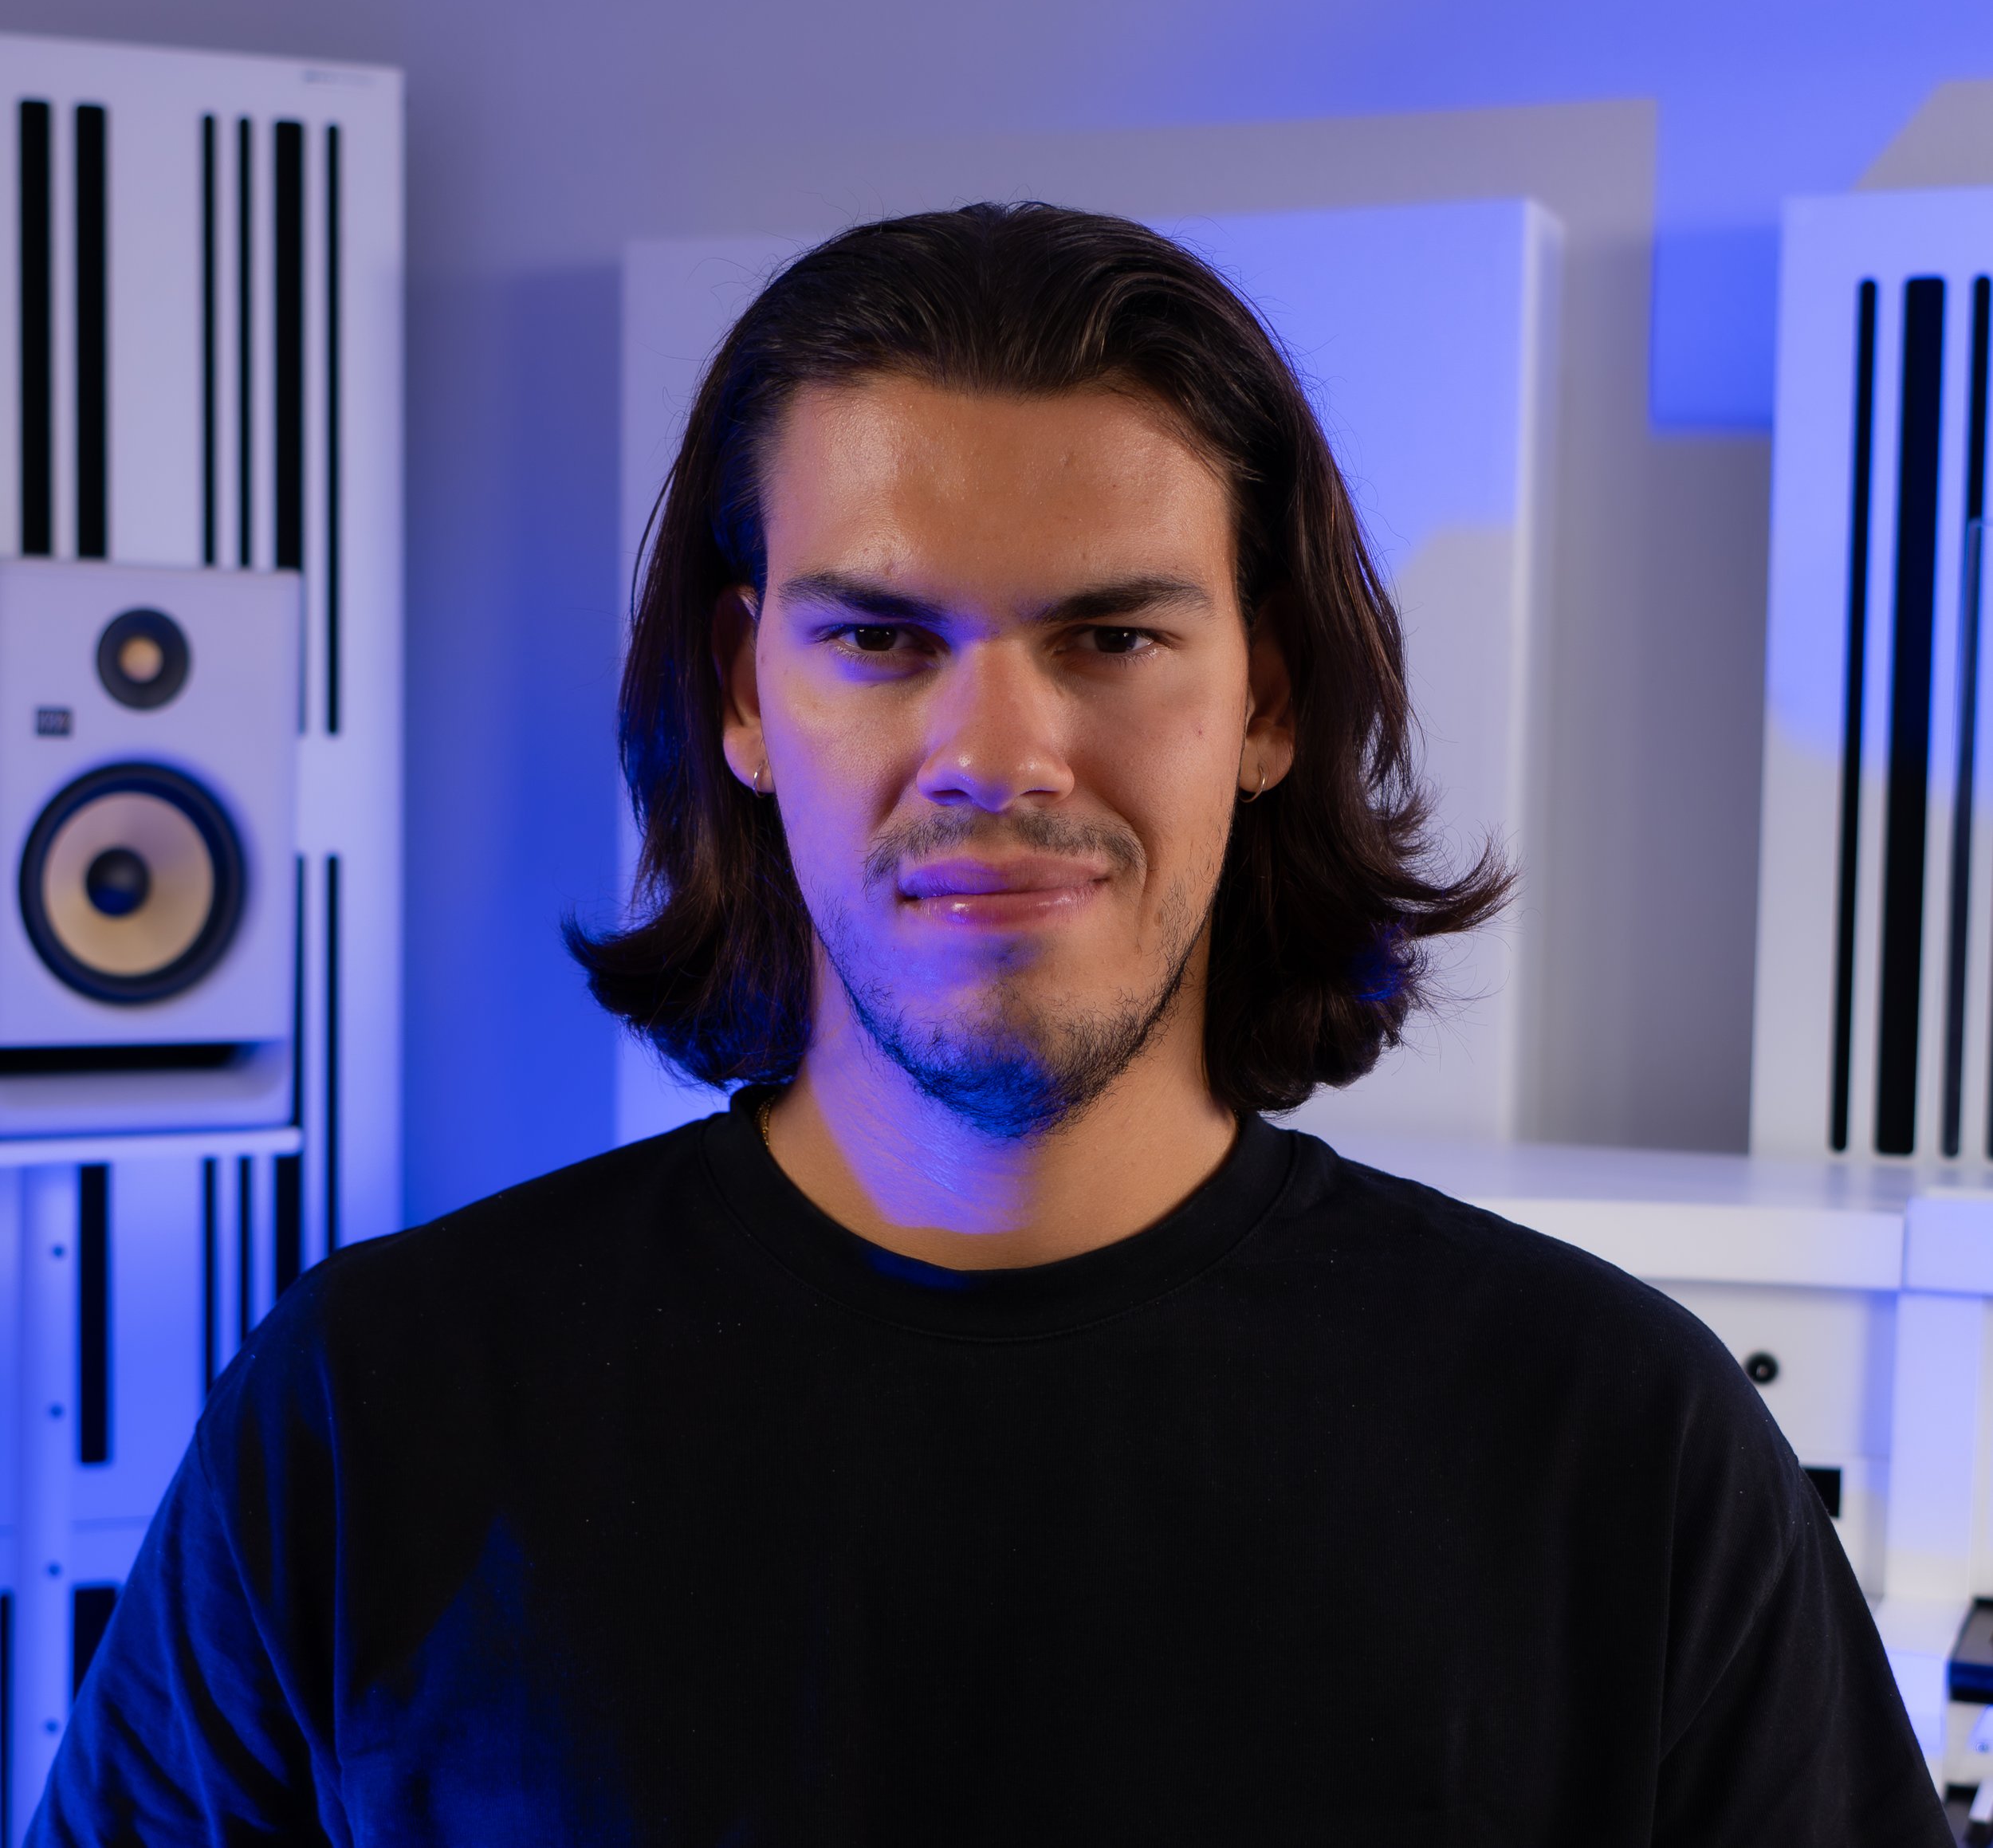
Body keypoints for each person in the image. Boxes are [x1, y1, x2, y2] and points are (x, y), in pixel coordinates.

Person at [34, 204, 1948, 1846]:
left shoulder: (1617, 1446)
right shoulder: (368, 1413)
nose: (995, 753)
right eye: (880, 636)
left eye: (1109, 636)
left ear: (1265, 700)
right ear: (742, 694)